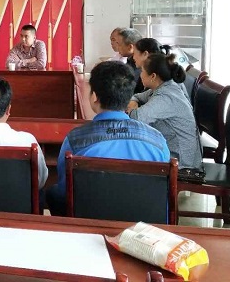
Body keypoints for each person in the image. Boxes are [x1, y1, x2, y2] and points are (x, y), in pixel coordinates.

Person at [46, 61, 170, 216]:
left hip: (89, 223)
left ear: (94, 97)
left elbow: (65, 191)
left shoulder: (76, 140)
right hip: (144, 225)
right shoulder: (157, 141)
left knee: (53, 193)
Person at [127, 53, 202, 170]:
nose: (140, 75)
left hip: (182, 162)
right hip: (170, 150)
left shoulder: (167, 96)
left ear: (153, 76)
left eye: (142, 71)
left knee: (129, 154)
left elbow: (136, 118)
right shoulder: (164, 86)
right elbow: (137, 96)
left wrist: (132, 108)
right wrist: (134, 103)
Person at [116, 27, 144, 93]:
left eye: (119, 44)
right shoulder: (130, 62)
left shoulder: (137, 66)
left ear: (130, 47)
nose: (117, 48)